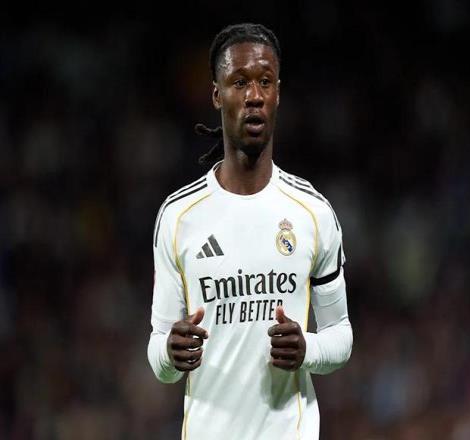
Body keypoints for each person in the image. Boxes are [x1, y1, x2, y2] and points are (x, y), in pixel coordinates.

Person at [147, 23, 353, 440]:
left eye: (265, 81)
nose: (254, 95)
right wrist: (170, 352)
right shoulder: (178, 217)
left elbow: (341, 334)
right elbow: (158, 352)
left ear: (278, 93)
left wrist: (308, 349)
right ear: (217, 94)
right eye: (239, 82)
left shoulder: (312, 213)